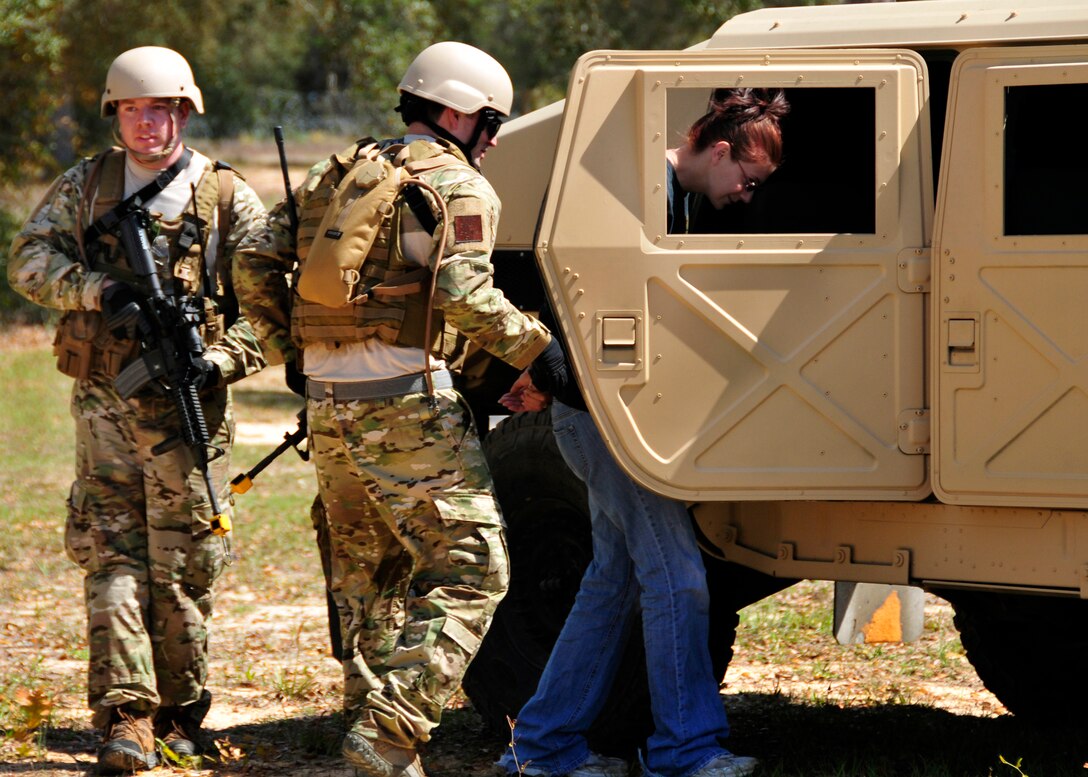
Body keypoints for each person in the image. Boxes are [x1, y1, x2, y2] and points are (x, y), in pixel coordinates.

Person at [233, 41, 556, 777]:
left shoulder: (334, 171)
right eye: (491, 120)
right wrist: (540, 351)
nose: (496, 137)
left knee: (364, 574)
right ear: (456, 112)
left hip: (329, 405)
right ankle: (387, 735)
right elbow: (467, 299)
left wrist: (294, 350)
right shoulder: (458, 184)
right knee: (474, 568)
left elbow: (252, 258)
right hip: (405, 403)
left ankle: (371, 737)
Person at [495, 88, 790, 777]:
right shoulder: (634, 189)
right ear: (719, 150)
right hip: (603, 419)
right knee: (677, 578)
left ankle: (542, 747)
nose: (747, 195)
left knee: (614, 581)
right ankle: (685, 750)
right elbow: (563, 284)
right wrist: (553, 373)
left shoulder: (671, 194)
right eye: (746, 179)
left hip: (618, 417)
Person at [7, 46, 268, 773]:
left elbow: (270, 309)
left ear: (184, 112)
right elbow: (28, 260)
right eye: (132, 109)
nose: (147, 123)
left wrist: (219, 358)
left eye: (160, 109)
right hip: (102, 405)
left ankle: (183, 711)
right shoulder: (85, 185)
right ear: (114, 112)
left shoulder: (224, 199)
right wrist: (97, 290)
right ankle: (128, 713)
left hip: (190, 411)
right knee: (111, 554)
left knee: (184, 560)